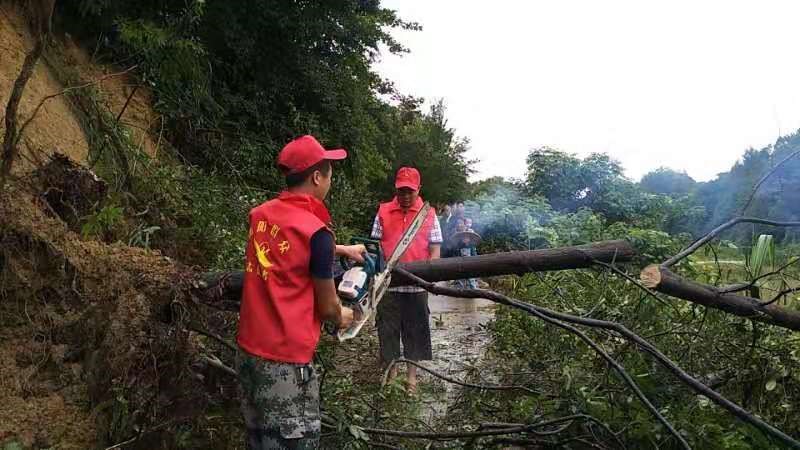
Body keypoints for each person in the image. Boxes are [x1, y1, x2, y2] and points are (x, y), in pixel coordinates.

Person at [236, 135, 366, 449]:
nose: (330, 182)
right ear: (316, 177)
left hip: (248, 354)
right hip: (287, 366)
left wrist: (340, 249)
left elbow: (283, 251)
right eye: (330, 175)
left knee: (260, 441)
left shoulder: (262, 215)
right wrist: (346, 315)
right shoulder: (315, 232)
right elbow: (327, 309)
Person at [371, 167, 442, 393]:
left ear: (418, 189)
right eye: (401, 191)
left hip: (416, 284)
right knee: (388, 330)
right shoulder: (383, 211)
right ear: (396, 189)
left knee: (416, 331)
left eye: (409, 191)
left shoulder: (428, 214)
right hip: (388, 284)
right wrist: (377, 275)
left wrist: (429, 278)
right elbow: (375, 247)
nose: (405, 196)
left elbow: (435, 249)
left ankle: (411, 377)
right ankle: (392, 374)